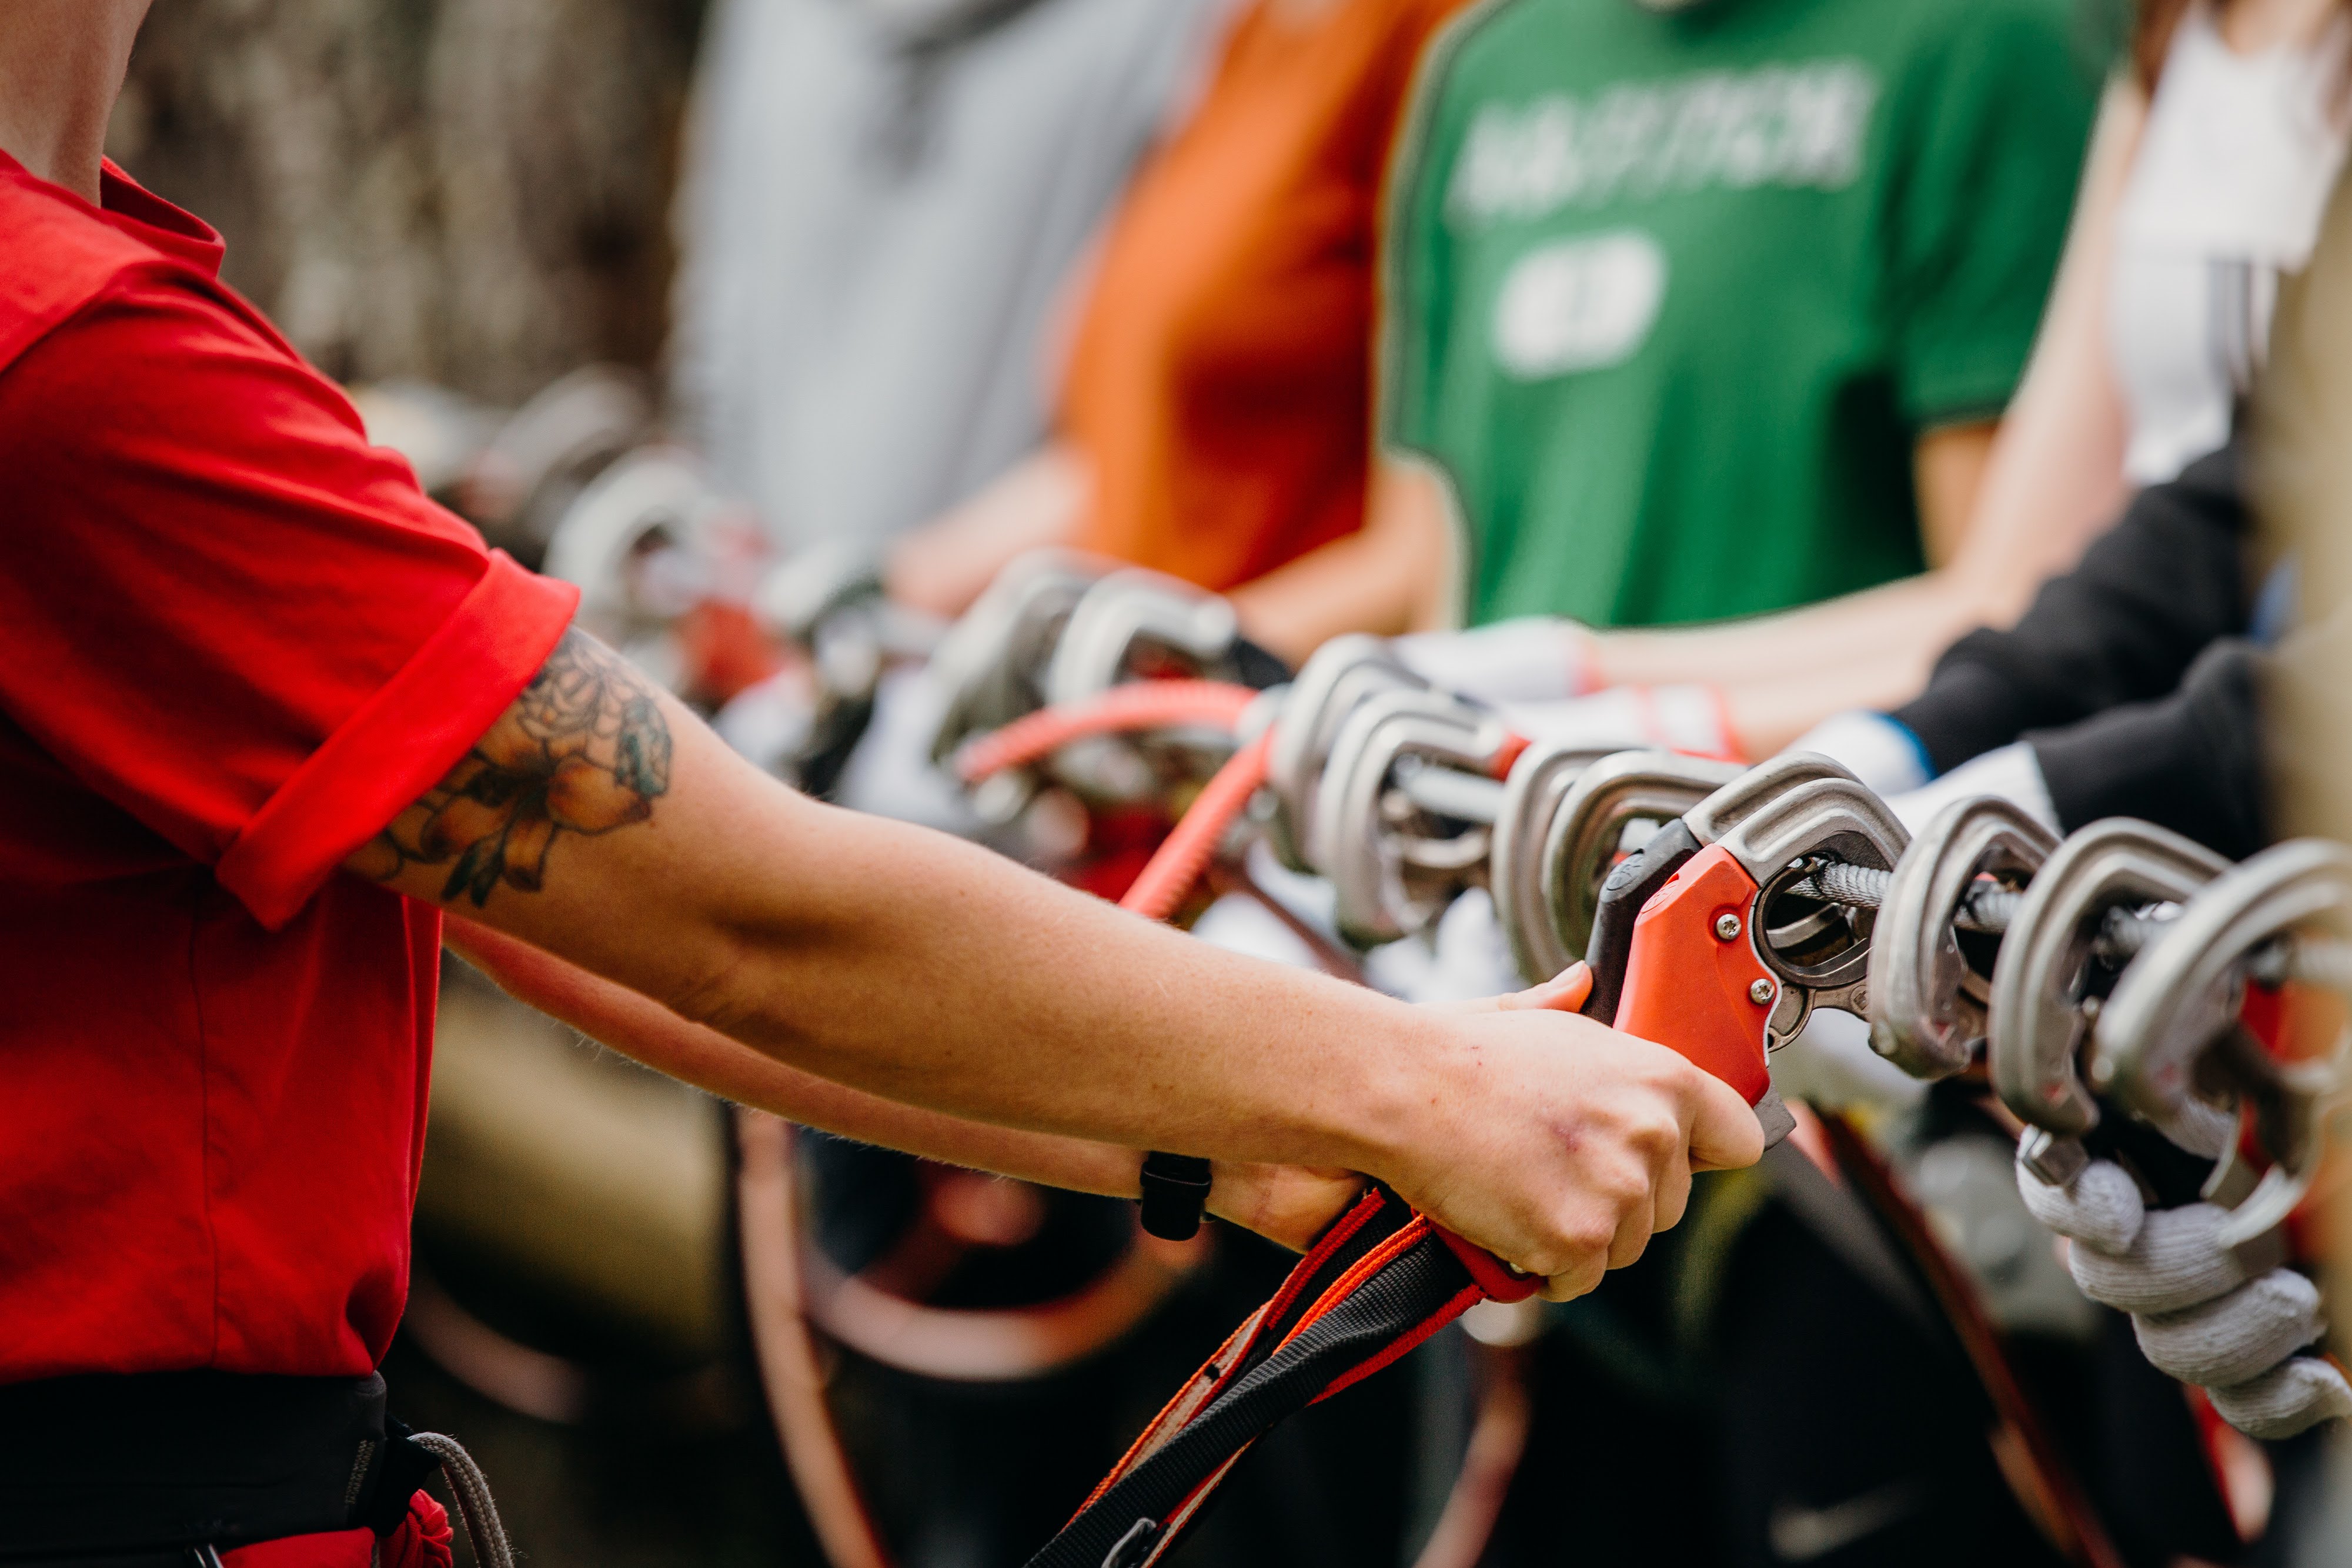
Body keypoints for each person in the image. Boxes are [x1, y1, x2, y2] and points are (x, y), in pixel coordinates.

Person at [0, 5, 1763, 1562]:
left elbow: (581, 922)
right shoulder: (70, 351)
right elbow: (734, 914)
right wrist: (1415, 1088)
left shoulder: (98, 297)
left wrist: (1253, 1128)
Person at [1414, 0, 2352, 755]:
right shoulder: (2162, 37)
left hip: (2233, 772)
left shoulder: (1987, 36)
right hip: (2115, 711)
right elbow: (2011, 592)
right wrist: (1575, 676)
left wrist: (1645, 726)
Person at [885, 0, 1475, 624]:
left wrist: (1177, 658)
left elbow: (1425, 558)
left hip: (1259, 675)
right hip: (1145, 659)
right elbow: (1127, 463)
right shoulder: (1249, 37)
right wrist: (889, 588)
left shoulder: (1433, 43)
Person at [669, 0, 1218, 557]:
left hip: (1045, 585)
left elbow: (1180, 394)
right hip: (775, 578)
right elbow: (720, 328)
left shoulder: (1193, 26)